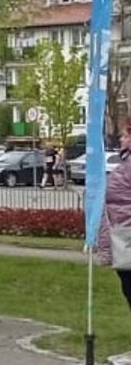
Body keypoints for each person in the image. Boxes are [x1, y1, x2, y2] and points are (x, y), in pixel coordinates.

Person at [96, 121, 131, 313]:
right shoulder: (125, 163)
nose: (121, 139)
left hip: (126, 233)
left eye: (125, 135)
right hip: (122, 232)